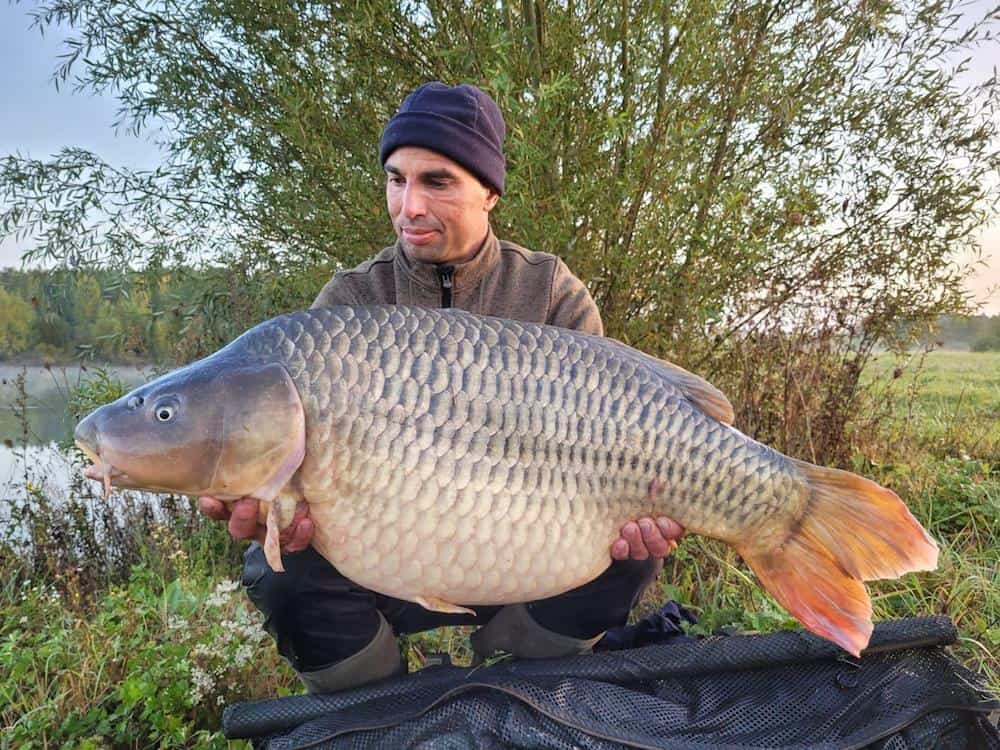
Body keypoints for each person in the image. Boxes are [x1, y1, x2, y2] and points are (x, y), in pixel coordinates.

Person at [199, 82, 684, 693]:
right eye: (396, 180)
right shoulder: (350, 304)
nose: (409, 206)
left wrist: (646, 507)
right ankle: (377, 707)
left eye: (437, 181)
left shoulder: (552, 294)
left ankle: (528, 684)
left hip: (531, 556)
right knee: (279, 569)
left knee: (635, 553)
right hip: (385, 556)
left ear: (489, 192)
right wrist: (272, 505)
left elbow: (610, 440)